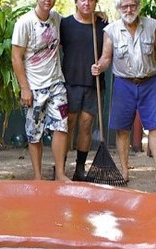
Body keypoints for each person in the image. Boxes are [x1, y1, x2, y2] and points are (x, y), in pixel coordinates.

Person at [91, 0, 156, 184]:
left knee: (155, 126)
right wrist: (99, 66)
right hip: (123, 83)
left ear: (138, 6)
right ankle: (124, 171)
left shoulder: (152, 26)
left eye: (132, 5)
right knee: (122, 129)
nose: (129, 9)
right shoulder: (111, 31)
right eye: (124, 6)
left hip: (150, 82)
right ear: (119, 9)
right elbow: (106, 58)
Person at [11, 0, 70, 182]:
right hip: (34, 88)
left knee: (61, 126)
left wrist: (97, 14)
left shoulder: (57, 19)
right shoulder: (24, 22)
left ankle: (59, 173)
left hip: (56, 84)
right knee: (34, 133)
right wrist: (24, 88)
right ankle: (37, 176)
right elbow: (16, 57)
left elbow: (77, 20)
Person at [60, 0, 108, 181]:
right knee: (67, 125)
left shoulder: (102, 25)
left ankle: (80, 169)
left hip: (93, 84)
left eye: (91, 0)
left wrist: (101, 66)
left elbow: (106, 54)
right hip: (69, 83)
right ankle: (61, 168)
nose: (86, 3)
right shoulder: (64, 24)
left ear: (96, 2)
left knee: (86, 125)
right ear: (75, 2)